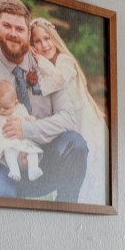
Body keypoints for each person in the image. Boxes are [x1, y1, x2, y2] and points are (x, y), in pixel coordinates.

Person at [0, 0, 88, 201]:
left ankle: (66, 216)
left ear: (28, 32)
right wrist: (9, 153)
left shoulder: (46, 67)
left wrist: (27, 131)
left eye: (19, 29)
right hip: (0, 162)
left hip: (44, 156)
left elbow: (68, 118)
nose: (13, 33)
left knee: (76, 144)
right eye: (7, 26)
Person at [30, 17, 108, 206]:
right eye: (37, 42)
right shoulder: (41, 68)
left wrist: (39, 59)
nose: (44, 45)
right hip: (70, 128)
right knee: (75, 167)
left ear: (55, 39)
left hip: (86, 125)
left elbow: (58, 81)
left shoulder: (65, 61)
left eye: (47, 39)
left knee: (89, 172)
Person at [0, 78, 46, 182]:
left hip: (21, 141)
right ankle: (14, 171)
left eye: (6, 108)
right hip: (6, 141)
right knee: (9, 154)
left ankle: (34, 170)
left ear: (15, 104)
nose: (2, 110)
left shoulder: (19, 110)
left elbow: (28, 119)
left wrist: (31, 119)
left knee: (32, 152)